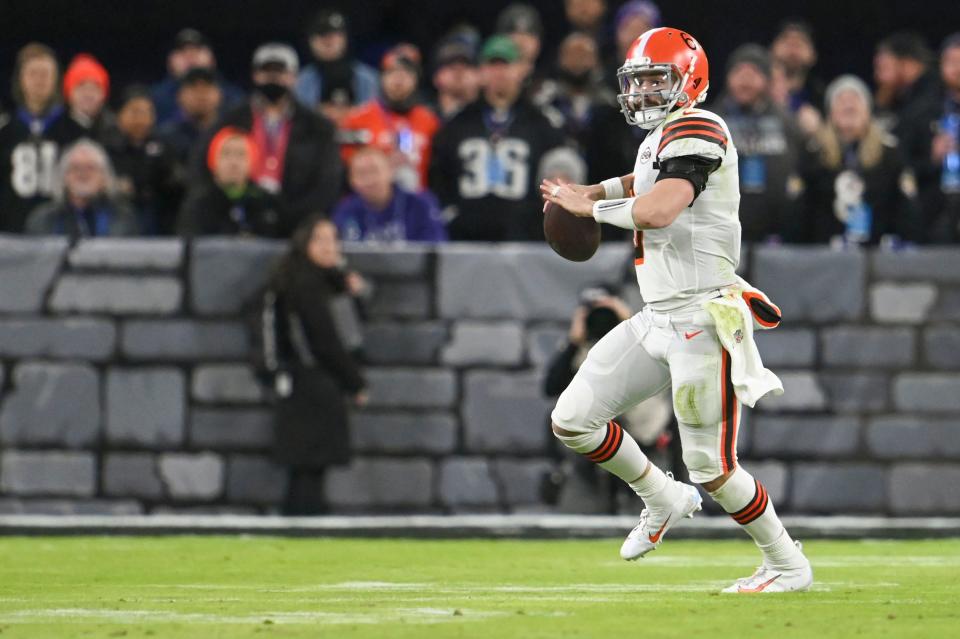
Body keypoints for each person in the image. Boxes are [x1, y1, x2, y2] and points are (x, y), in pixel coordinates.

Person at [540, 27, 813, 593]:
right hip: (657, 315)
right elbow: (640, 179)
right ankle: (662, 498)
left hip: (701, 320)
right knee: (572, 419)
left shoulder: (700, 127)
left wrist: (591, 212)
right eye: (635, 80)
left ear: (689, 80)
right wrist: (588, 192)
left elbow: (661, 207)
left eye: (655, 79)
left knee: (713, 468)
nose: (642, 90)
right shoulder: (664, 135)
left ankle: (787, 563)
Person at [258, 216, 368, 514]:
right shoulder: (306, 285)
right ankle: (305, 524)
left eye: (333, 239)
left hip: (306, 382)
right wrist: (354, 382)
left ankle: (301, 523)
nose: (329, 247)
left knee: (308, 468)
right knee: (309, 467)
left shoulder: (325, 282)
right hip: (311, 383)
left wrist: (351, 290)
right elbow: (325, 340)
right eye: (320, 239)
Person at [543, 286, 676, 513]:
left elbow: (669, 364)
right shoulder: (578, 349)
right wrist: (573, 343)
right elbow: (550, 387)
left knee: (650, 517)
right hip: (588, 462)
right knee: (582, 526)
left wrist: (632, 325)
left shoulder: (645, 341)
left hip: (646, 447)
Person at [429, 35, 567, 241]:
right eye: (492, 65)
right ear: (481, 72)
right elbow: (439, 175)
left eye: (506, 65)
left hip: (523, 236)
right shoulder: (457, 124)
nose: (499, 73)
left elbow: (557, 173)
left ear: (520, 70)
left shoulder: (541, 123)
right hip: (467, 236)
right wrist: (451, 213)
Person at [206, 43, 343, 237]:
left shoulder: (318, 126)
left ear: (294, 77)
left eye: (280, 71)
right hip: (238, 223)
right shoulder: (230, 120)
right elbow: (205, 168)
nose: (273, 78)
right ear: (254, 75)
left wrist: (287, 217)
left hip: (298, 228)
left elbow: (327, 185)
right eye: (266, 71)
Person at [795, 75, 920, 246]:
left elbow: (906, 206)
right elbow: (799, 209)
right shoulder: (814, 154)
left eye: (855, 99)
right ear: (830, 113)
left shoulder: (889, 152)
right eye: (841, 100)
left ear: (868, 111)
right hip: (824, 256)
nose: (848, 103)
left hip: (876, 254)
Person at [714, 44, 807, 243]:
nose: (745, 80)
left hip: (775, 237)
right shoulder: (710, 120)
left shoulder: (787, 122)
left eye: (753, 72)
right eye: (739, 71)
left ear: (766, 80)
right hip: (718, 231)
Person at [0, 43, 85, 232]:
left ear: (56, 79)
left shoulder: (76, 130)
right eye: (32, 73)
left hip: (61, 231)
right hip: (12, 231)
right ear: (20, 79)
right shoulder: (5, 131)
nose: (39, 80)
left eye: (45, 74)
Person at [339, 45, 440, 193]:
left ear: (416, 80)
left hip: (417, 205)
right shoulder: (356, 120)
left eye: (406, 73)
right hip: (372, 205)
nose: (398, 80)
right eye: (392, 73)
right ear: (381, 78)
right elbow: (345, 170)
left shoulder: (430, 122)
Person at [873, 33, 944, 239]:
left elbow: (909, 163)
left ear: (906, 64)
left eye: (883, 68)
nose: (878, 77)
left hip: (931, 213)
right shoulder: (902, 102)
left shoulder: (928, 105)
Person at [103, 86, 182, 235]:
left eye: (147, 112)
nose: (141, 119)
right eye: (135, 112)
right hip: (119, 220)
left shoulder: (163, 146)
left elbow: (175, 182)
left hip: (160, 220)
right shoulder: (107, 148)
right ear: (119, 114)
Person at [178, 126, 281, 237]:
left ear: (252, 162)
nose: (233, 162)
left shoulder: (267, 202)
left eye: (241, 154)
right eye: (226, 154)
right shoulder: (198, 204)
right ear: (213, 161)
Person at [24, 138, 138, 238]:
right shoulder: (42, 219)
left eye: (91, 167)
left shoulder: (124, 218)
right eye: (75, 168)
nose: (83, 173)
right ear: (64, 178)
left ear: (104, 178)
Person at [333, 146, 446, 242]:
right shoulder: (345, 210)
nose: (369, 179)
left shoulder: (421, 204)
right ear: (352, 181)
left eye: (374, 170)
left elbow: (436, 249)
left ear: (390, 171)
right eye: (361, 173)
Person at [295, 9, 379, 117]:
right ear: (311, 41)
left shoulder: (369, 78)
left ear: (345, 39)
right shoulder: (300, 82)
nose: (328, 41)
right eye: (321, 35)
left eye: (334, 35)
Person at [151, 28, 244, 126]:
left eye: (197, 49)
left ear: (212, 59)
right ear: (169, 61)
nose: (190, 56)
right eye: (182, 50)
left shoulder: (234, 97)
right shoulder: (155, 98)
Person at [928, 33, 960, 243]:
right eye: (951, 62)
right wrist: (932, 156)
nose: (958, 69)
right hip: (937, 205)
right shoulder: (924, 111)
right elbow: (906, 163)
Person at [158, 67, 224, 168]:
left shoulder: (230, 135)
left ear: (219, 95)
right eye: (193, 88)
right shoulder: (165, 138)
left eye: (207, 88)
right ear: (179, 96)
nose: (201, 95)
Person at [769, 20, 825, 135]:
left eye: (801, 43)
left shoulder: (821, 97)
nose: (793, 48)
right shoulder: (757, 93)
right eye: (786, 41)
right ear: (772, 49)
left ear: (813, 54)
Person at [62, 54, 115, 140]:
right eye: (81, 86)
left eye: (95, 88)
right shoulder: (56, 130)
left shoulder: (114, 131)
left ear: (103, 94)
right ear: (69, 92)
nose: (88, 94)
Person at [430, 37, 480, 122]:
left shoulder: (491, 121)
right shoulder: (425, 120)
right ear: (436, 77)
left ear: (478, 76)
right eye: (450, 65)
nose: (459, 70)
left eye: (466, 65)